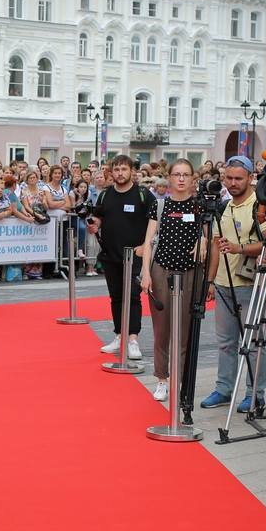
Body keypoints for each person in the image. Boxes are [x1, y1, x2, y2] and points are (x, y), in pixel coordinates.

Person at [200, 155, 266, 411]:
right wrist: (209, 281)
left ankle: (255, 393)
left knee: (252, 342)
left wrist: (240, 248)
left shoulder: (260, 206)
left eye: (238, 178)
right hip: (222, 283)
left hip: (250, 282)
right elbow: (217, 247)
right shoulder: (223, 206)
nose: (232, 183)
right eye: (228, 178)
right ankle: (224, 389)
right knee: (226, 342)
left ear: (251, 178)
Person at [140, 160, 202, 401]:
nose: (181, 179)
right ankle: (162, 379)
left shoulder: (199, 207)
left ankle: (182, 380)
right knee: (162, 329)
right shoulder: (160, 205)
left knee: (186, 330)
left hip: (189, 272)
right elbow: (149, 240)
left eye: (186, 175)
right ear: (169, 177)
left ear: (192, 178)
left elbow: (208, 235)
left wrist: (204, 241)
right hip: (162, 270)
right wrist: (146, 272)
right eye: (177, 174)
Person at [92, 155, 157, 362]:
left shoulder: (143, 195)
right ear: (112, 172)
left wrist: (144, 246)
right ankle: (119, 335)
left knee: (133, 296)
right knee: (116, 297)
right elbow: (99, 217)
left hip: (134, 256)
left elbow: (155, 221)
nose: (120, 173)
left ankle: (132, 339)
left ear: (132, 172)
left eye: (124, 169)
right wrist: (95, 224)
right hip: (110, 255)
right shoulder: (105, 195)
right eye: (117, 169)